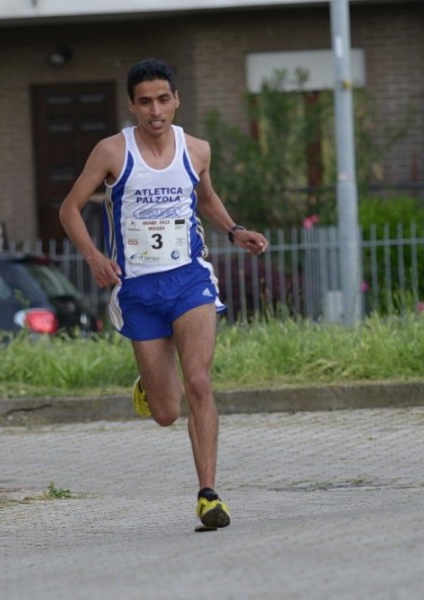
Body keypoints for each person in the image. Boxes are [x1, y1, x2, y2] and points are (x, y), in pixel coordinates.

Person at [59, 58, 268, 529]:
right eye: (145, 102)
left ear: (177, 100)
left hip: (189, 279)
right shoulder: (112, 151)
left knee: (199, 382)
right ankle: (152, 387)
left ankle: (209, 495)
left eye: (164, 100)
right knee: (167, 413)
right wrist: (94, 257)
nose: (156, 111)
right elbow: (70, 209)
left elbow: (205, 197)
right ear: (132, 105)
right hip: (137, 288)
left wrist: (234, 230)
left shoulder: (196, 150)